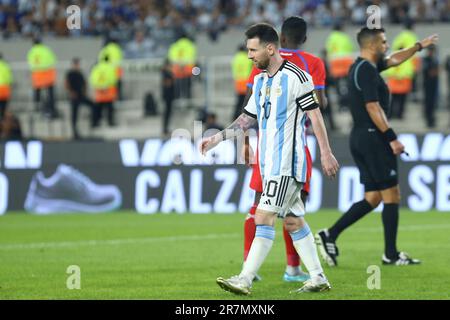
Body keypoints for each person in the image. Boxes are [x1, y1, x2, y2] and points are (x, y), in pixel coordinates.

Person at [200, 23, 339, 295]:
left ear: (270, 48)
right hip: (269, 164)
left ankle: (245, 278)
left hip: (287, 163)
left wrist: (326, 152)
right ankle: (318, 277)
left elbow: (315, 116)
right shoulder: (261, 80)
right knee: (293, 221)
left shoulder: (297, 77)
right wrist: (216, 138)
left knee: (263, 217)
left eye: (253, 50)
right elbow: (246, 120)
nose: (249, 56)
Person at [315, 27, 438, 267]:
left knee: (373, 197)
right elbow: (373, 107)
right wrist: (391, 137)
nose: (387, 45)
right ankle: (390, 255)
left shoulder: (364, 67)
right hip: (373, 138)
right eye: (383, 42)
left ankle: (330, 234)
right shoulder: (366, 71)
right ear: (371, 45)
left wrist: (418, 47)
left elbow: (393, 60)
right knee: (392, 194)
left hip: (362, 137)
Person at [242, 16, 329, 284]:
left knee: (261, 209)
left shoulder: (264, 63)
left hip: (270, 151)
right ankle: (294, 270)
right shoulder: (311, 63)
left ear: (278, 37)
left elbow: (249, 104)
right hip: (292, 146)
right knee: (288, 214)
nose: (250, 55)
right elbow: (319, 105)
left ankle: (247, 272)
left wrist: (244, 143)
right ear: (304, 38)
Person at [27, 36, 58, 118]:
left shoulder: (32, 51)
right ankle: (51, 106)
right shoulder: (46, 50)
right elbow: (53, 60)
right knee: (50, 93)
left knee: (37, 91)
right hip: (48, 74)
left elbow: (30, 63)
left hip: (38, 75)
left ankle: (37, 106)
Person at [325, 22, 354, 111]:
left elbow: (328, 50)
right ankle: (348, 104)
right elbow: (351, 48)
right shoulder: (345, 37)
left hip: (336, 62)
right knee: (348, 84)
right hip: (346, 62)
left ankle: (341, 105)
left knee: (338, 84)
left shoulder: (330, 38)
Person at [65, 57, 95, 139]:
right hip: (74, 97)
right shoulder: (70, 74)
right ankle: (75, 132)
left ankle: (93, 123)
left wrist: (85, 92)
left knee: (94, 105)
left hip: (81, 96)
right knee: (74, 115)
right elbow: (67, 84)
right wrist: (71, 93)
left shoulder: (80, 74)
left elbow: (84, 84)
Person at [89, 55, 118, 127]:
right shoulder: (110, 67)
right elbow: (113, 79)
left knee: (97, 108)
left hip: (99, 91)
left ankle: (95, 122)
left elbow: (92, 79)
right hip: (108, 91)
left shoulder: (96, 68)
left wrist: (99, 86)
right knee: (109, 108)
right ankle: (110, 122)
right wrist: (106, 86)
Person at [231, 44, 253, 121]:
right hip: (246, 81)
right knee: (245, 101)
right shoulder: (246, 58)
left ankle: (234, 117)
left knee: (239, 101)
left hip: (238, 81)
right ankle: (243, 116)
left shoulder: (235, 58)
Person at [422, 44, 439, 128]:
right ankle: (429, 120)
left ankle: (432, 120)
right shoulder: (426, 60)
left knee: (433, 103)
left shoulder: (435, 60)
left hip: (434, 85)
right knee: (428, 103)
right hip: (428, 86)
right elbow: (428, 72)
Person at [161, 58, 175, 136]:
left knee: (168, 113)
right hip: (168, 96)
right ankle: (165, 129)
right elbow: (167, 83)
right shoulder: (166, 73)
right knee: (167, 113)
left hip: (168, 95)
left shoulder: (166, 73)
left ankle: (166, 129)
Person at [0, 53, 13, 120]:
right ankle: (2, 118)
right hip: (5, 87)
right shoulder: (6, 66)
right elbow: (10, 78)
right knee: (4, 105)